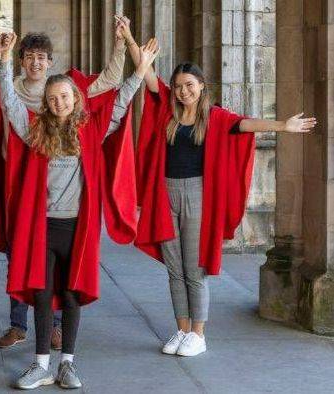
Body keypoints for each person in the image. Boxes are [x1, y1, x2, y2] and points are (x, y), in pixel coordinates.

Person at [0, 16, 135, 350]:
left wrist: (122, 44)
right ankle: (19, 324)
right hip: (13, 178)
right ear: (21, 60)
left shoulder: (65, 92)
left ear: (50, 63)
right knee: (18, 252)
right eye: (30, 56)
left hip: (53, 183)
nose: (36, 62)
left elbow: (111, 84)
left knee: (54, 259)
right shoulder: (5, 87)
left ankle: (52, 325)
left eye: (42, 57)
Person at [134, 38, 316, 357]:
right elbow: (147, 73)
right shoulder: (167, 110)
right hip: (166, 193)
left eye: (189, 85)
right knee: (174, 268)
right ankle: (182, 329)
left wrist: (283, 126)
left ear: (202, 86)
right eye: (178, 86)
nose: (182, 91)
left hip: (197, 195)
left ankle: (199, 333)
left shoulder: (214, 117)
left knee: (195, 267)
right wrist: (129, 41)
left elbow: (245, 125)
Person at [0, 32, 157, 389]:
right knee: (41, 293)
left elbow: (119, 102)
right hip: (43, 226)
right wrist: (5, 60)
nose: (59, 102)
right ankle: (40, 364)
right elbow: (9, 102)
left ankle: (67, 363)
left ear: (75, 98)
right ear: (47, 103)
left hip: (76, 227)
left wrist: (140, 69)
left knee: (70, 294)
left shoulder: (90, 130)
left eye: (65, 96)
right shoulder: (35, 131)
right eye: (53, 98)